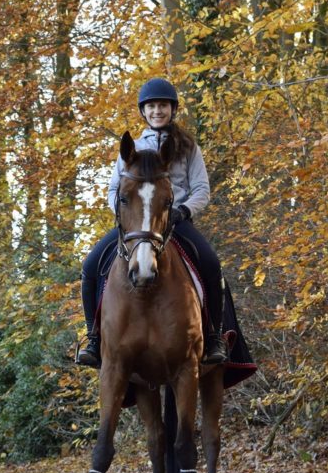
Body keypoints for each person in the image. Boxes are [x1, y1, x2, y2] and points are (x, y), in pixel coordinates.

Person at [76, 77, 228, 368]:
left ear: (172, 109)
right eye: (152, 106)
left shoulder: (188, 147)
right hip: (135, 225)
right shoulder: (130, 148)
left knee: (210, 263)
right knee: (90, 265)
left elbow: (202, 190)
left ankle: (213, 336)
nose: (157, 111)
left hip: (174, 221)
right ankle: (94, 338)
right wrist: (124, 214)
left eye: (163, 106)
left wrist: (183, 211)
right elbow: (113, 189)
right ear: (143, 111)